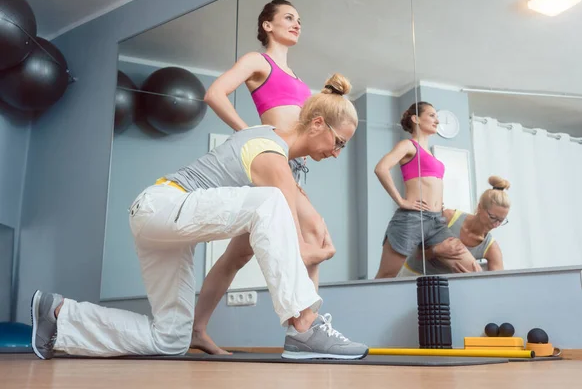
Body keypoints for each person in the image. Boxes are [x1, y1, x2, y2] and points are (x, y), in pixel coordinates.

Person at [30, 73, 369, 361]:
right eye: (338, 142)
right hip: (161, 204)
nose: (337, 153)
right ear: (318, 123)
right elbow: (292, 242)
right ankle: (305, 326)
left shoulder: (272, 161)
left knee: (170, 339)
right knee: (271, 203)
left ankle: (59, 314)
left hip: (166, 224)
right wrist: (321, 255)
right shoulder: (270, 153)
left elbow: (254, 248)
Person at [193, 0, 334, 354]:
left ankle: (197, 329)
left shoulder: (301, 80)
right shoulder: (259, 61)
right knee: (315, 233)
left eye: (299, 19)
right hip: (266, 163)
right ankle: (308, 330)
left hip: (289, 168)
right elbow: (214, 93)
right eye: (288, 17)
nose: (296, 23)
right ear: (267, 26)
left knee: (236, 256)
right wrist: (252, 137)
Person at [374, 101, 481, 279]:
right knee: (386, 276)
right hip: (412, 220)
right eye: (432, 115)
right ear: (416, 119)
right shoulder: (408, 145)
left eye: (437, 117)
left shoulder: (430, 154)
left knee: (472, 269)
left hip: (436, 222)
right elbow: (381, 168)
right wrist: (401, 201)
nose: (437, 121)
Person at [399, 176, 510, 276]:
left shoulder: (491, 248)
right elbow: (414, 252)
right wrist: (435, 251)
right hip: (413, 275)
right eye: (492, 217)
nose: (496, 225)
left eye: (501, 220)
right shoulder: (449, 217)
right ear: (480, 207)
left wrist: (477, 280)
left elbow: (497, 285)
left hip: (446, 286)